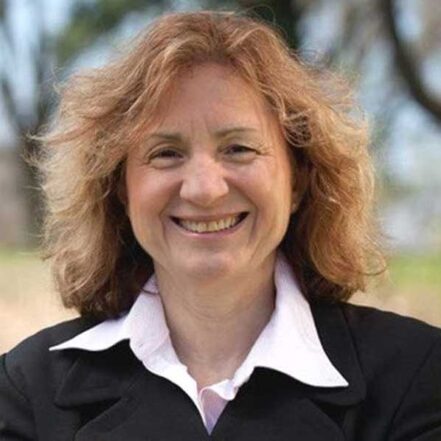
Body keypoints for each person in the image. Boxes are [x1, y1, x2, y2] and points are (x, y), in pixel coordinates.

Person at [1, 10, 440, 441]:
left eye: (238, 149)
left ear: (299, 180)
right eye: (166, 153)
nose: (205, 189)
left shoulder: (419, 377)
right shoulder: (27, 392)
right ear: (120, 190)